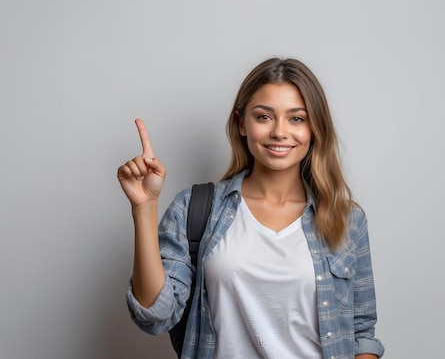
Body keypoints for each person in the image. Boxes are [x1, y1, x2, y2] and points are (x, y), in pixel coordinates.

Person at [117, 57, 384, 359]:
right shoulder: (195, 209)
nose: (280, 132)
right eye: (264, 117)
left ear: (314, 128)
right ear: (241, 124)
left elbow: (361, 332)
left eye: (297, 118)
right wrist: (145, 207)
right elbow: (156, 315)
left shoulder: (346, 219)